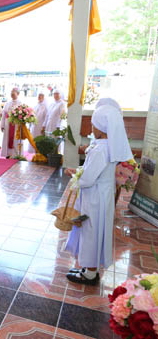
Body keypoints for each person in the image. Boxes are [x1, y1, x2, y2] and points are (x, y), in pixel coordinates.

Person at [64, 101, 132, 285]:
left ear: (101, 128)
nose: (91, 127)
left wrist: (75, 175)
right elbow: (91, 170)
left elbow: (87, 179)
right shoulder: (105, 144)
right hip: (99, 195)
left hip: (95, 197)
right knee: (91, 230)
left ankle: (90, 273)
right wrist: (79, 170)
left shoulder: (101, 148)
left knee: (91, 231)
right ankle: (88, 268)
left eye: (93, 124)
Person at [1, 88, 21, 158]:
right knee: (7, 139)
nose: (12, 93)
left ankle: (15, 154)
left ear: (18, 94)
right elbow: (4, 114)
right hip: (7, 124)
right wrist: (2, 125)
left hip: (16, 125)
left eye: (14, 92)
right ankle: (7, 154)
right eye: (11, 92)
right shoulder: (7, 103)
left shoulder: (20, 103)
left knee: (15, 139)